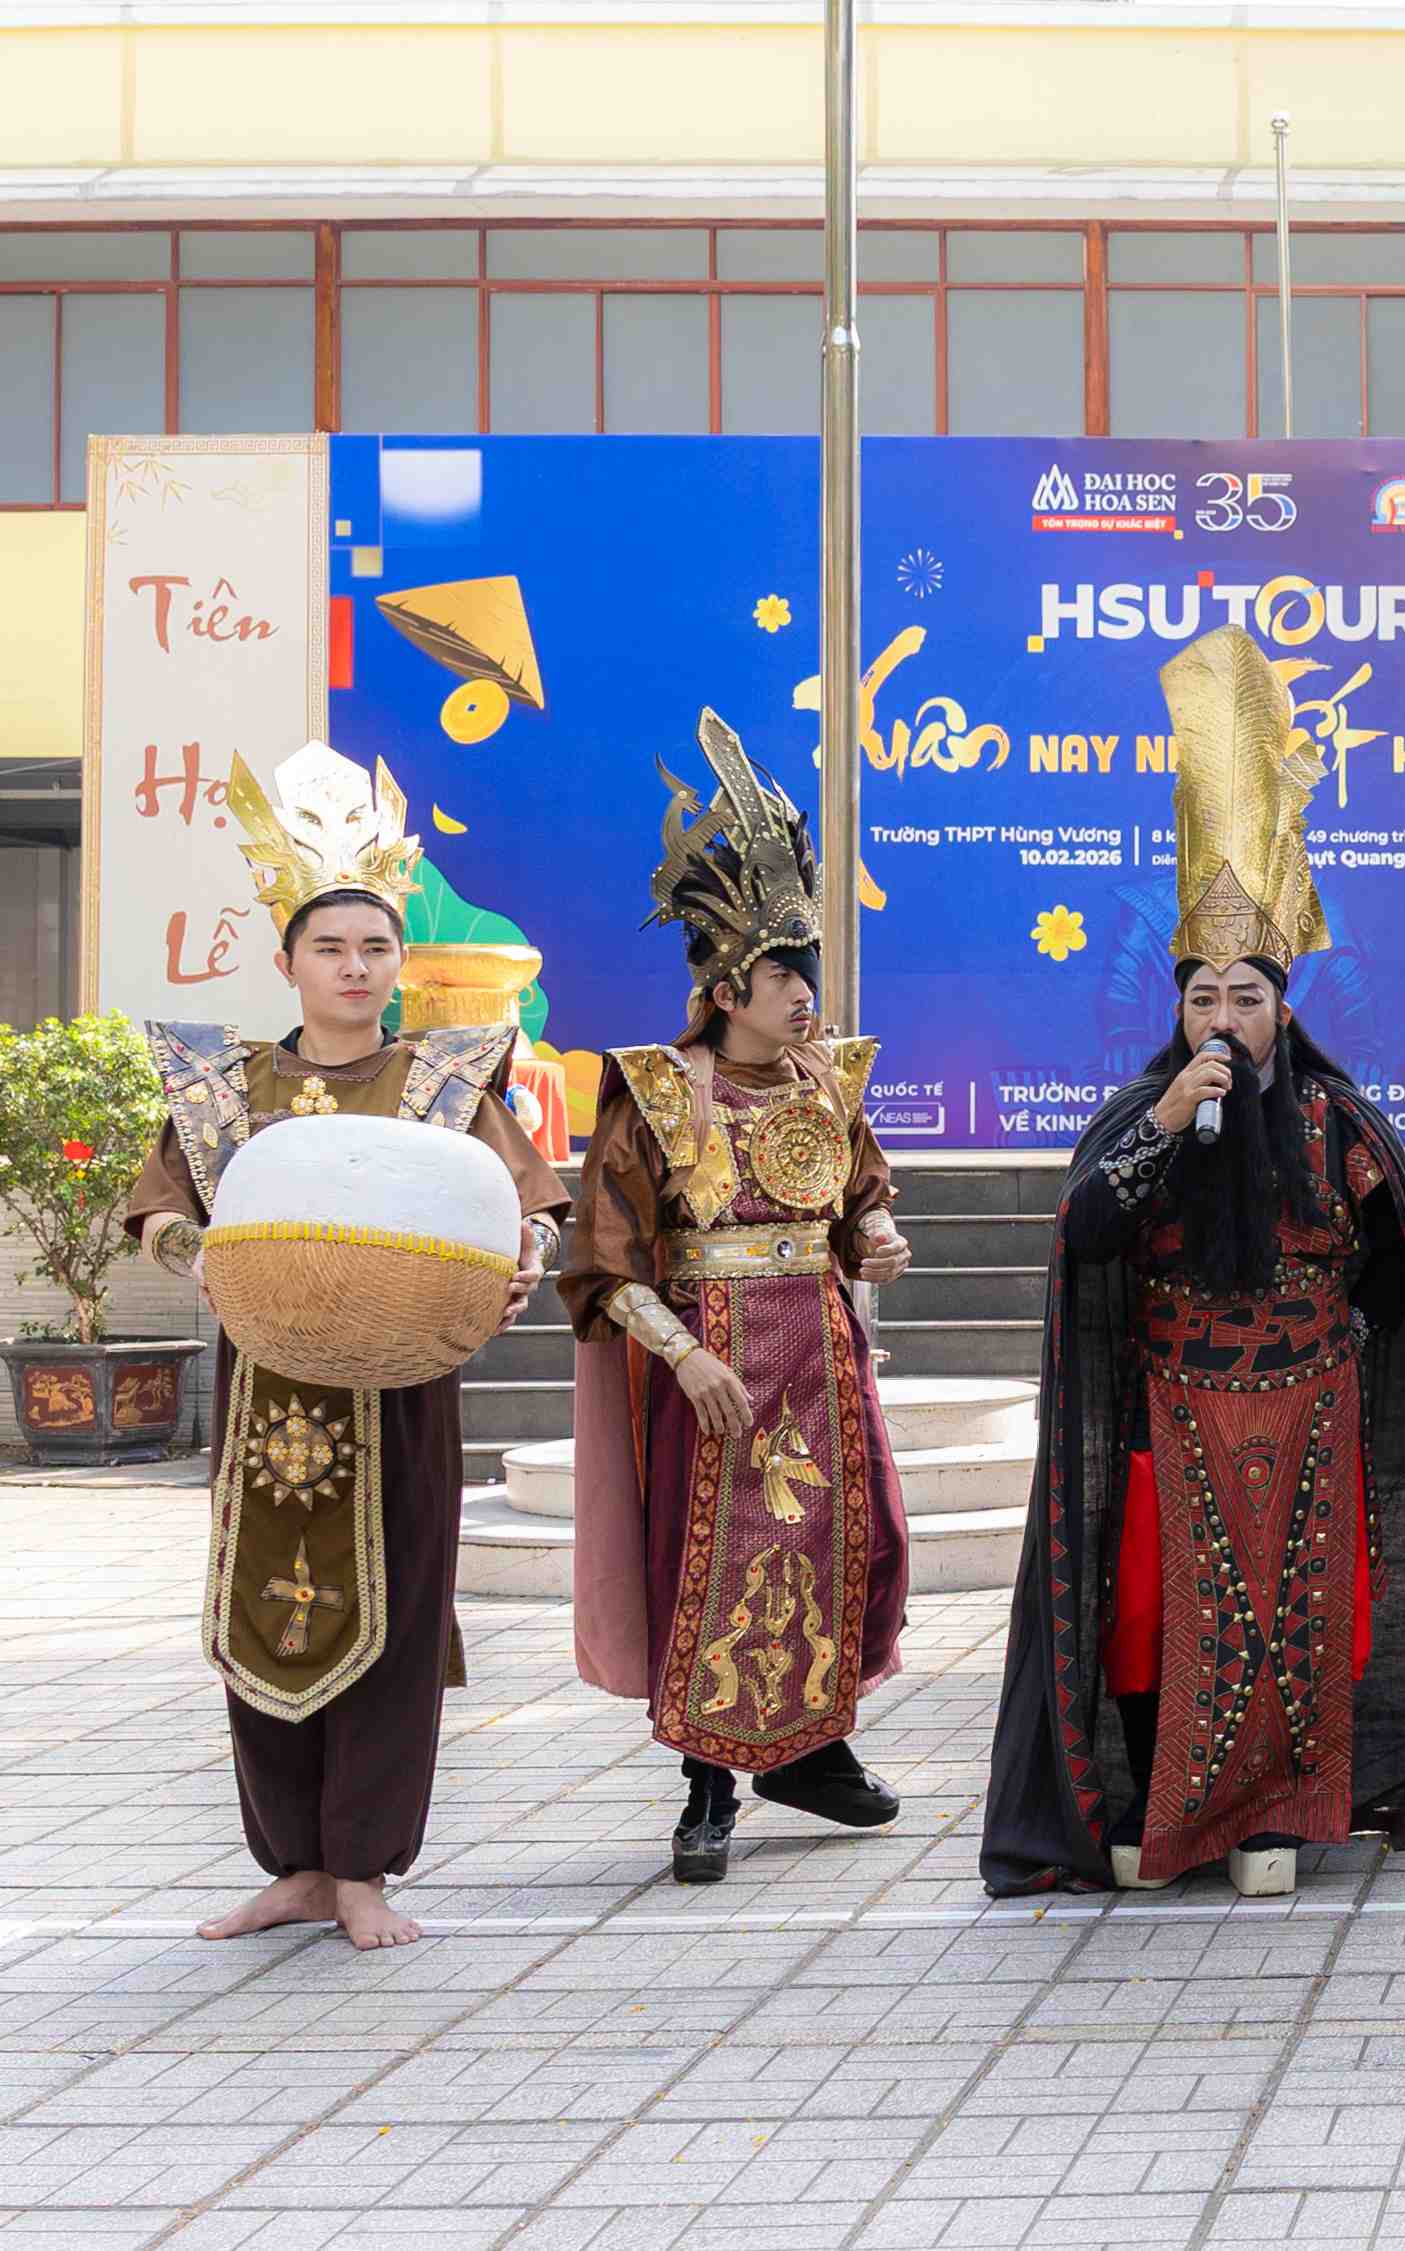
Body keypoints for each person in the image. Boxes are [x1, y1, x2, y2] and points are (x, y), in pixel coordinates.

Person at [983, 624, 1405, 1898]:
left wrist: (1337, 1346)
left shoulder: (1337, 1123)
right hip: (1170, 1411)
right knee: (1156, 1619)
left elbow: (1392, 1267)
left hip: (1309, 1409)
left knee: (1298, 1615)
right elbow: (1086, 1231)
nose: (1223, 1017)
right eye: (1202, 996)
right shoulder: (1142, 1115)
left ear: (1283, 1009)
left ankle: (1276, 1821)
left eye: (1246, 997)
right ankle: (1163, 1816)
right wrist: (1162, 1121)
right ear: (1177, 1006)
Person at [120, 743, 567, 1950]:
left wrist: (520, 1259)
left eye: (376, 946)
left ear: (398, 962)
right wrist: (198, 1256)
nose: (356, 966)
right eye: (331, 946)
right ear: (289, 963)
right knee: (259, 1613)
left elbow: (526, 1205)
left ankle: (363, 1867)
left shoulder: (445, 1080)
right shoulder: (224, 1087)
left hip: (401, 1392)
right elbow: (160, 1211)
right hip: (265, 1388)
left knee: (398, 1615)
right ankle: (296, 1867)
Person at [557, 711, 914, 1885]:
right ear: (723, 988)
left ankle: (812, 1751)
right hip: (708, 1360)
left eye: (808, 971)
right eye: (782, 975)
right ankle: (706, 1784)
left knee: (846, 1542)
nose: (805, 993)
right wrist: (681, 1354)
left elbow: (859, 1201)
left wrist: (875, 1236)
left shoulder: (829, 1081)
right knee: (706, 1558)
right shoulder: (656, 1094)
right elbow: (603, 1259)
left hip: (819, 1352)